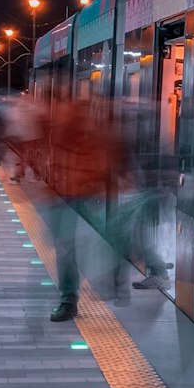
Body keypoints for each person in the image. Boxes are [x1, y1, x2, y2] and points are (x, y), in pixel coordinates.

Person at [46, 93, 126, 321]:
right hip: (70, 196)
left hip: (87, 196)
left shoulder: (98, 136)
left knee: (74, 247)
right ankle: (71, 299)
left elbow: (110, 161)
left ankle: (72, 298)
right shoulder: (72, 129)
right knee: (70, 248)